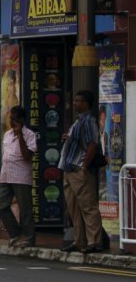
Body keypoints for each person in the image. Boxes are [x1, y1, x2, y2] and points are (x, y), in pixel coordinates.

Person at [58, 90, 104, 253]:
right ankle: (79, 241)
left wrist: (84, 166)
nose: (75, 103)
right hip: (69, 169)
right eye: (75, 100)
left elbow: (92, 144)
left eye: (79, 101)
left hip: (78, 169)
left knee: (87, 206)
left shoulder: (89, 121)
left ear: (86, 103)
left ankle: (95, 242)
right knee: (74, 208)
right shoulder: (78, 122)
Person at [0, 105, 37, 247]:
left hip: (21, 176)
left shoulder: (30, 135)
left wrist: (20, 137)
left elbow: (27, 156)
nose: (12, 122)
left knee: (25, 209)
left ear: (22, 120)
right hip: (6, 174)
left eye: (15, 119)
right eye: (10, 119)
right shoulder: (7, 135)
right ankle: (15, 232)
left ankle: (29, 237)